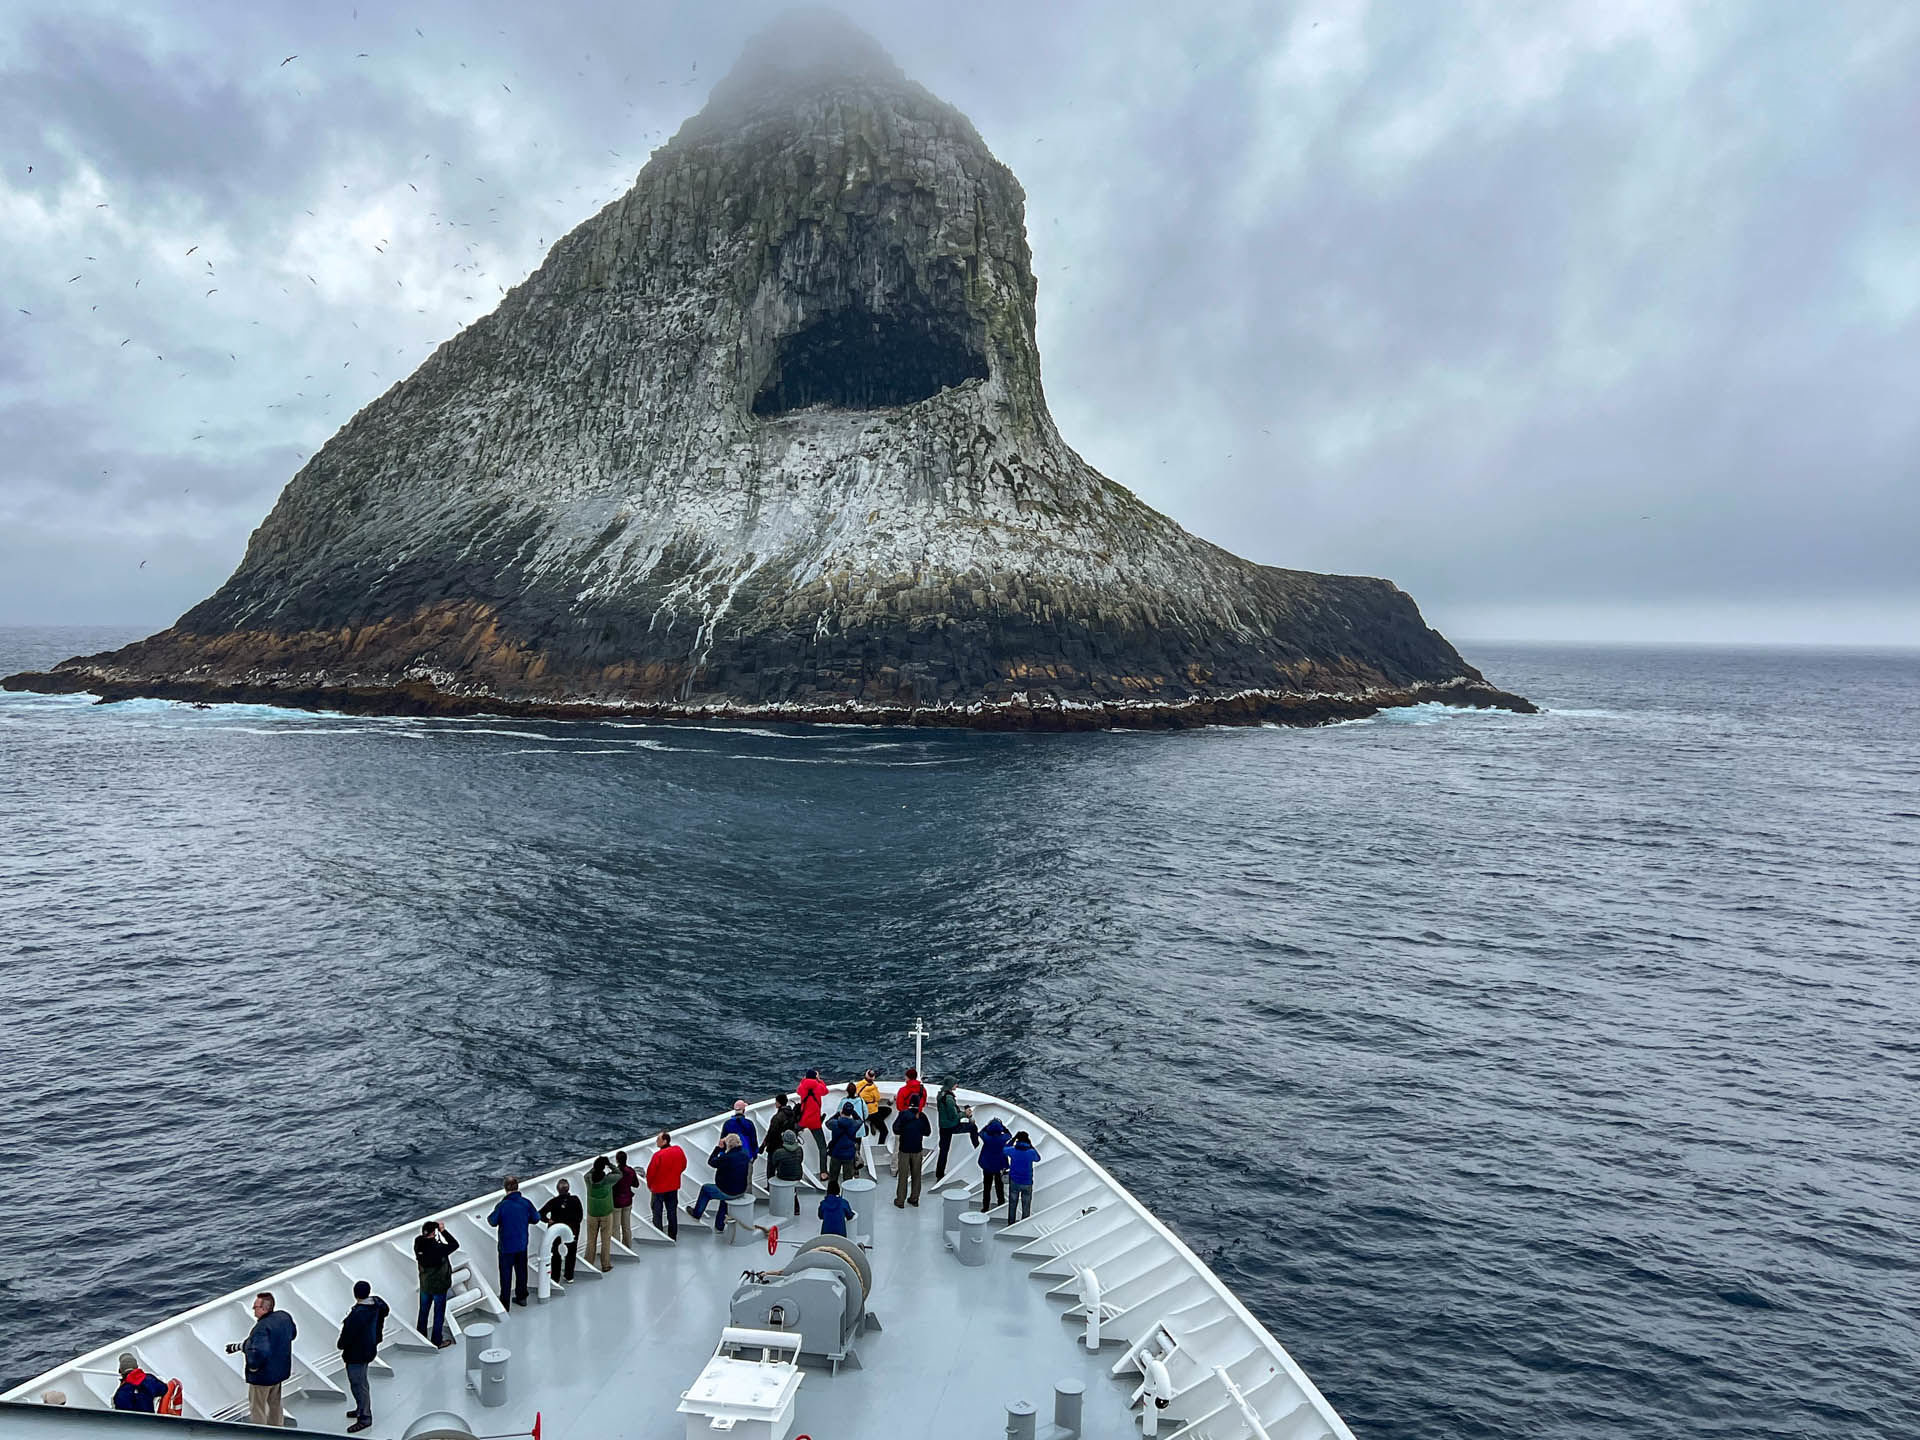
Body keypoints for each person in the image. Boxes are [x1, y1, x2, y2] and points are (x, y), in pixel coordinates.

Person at [225, 1291, 295, 1426]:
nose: (253, 1310)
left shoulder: (261, 1328)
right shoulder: (284, 1317)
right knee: (275, 1403)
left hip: (263, 1377)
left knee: (257, 1407)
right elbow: (292, 1334)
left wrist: (253, 1367)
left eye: (255, 1307)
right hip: (279, 1372)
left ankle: (261, 1433)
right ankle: (278, 1430)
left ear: (264, 1309)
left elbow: (259, 1352)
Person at [336, 1279, 389, 1433]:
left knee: (358, 1383)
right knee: (362, 1381)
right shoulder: (377, 1305)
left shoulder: (357, 1315)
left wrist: (341, 1345)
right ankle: (360, 1408)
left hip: (357, 1353)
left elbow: (346, 1338)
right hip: (369, 1348)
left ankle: (365, 1416)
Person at [486, 1176, 539, 1309]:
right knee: (522, 1272)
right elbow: (536, 1218)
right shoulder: (525, 1203)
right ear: (517, 1187)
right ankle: (522, 1298)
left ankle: (505, 1304)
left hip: (506, 1248)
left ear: (505, 1188)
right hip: (521, 1245)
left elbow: (492, 1221)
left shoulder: (502, 1206)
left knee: (506, 1276)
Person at [689, 1133, 752, 1232]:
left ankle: (696, 1214)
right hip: (741, 1189)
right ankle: (719, 1226)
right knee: (725, 1199)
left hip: (729, 1191)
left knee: (706, 1189)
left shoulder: (726, 1158)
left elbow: (711, 1162)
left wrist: (718, 1148)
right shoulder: (745, 1153)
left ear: (728, 1145)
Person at [413, 1220, 460, 1347]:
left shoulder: (418, 1242)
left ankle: (421, 1338)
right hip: (439, 1286)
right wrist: (443, 1231)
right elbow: (455, 1244)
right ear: (434, 1233)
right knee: (438, 1314)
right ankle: (437, 1341)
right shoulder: (439, 1248)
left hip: (425, 1284)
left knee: (423, 1312)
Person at [935, 1080, 980, 1181]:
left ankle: (939, 1174)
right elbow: (953, 1116)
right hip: (951, 1126)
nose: (957, 1085)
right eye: (955, 1083)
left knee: (943, 1151)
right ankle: (977, 1147)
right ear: (950, 1085)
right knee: (973, 1127)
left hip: (943, 1126)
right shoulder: (949, 1099)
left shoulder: (940, 1095)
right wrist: (965, 1114)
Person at [539, 1178, 583, 1281]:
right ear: (568, 1189)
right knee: (571, 1253)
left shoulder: (553, 1202)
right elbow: (580, 1216)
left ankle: (555, 1278)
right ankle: (569, 1276)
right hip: (572, 1231)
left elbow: (540, 1213)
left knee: (556, 1254)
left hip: (557, 1233)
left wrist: (548, 1220)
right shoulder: (575, 1200)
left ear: (557, 1190)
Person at [892, 1094, 932, 1207]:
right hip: (917, 1149)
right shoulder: (922, 1116)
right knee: (916, 1175)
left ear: (909, 1103)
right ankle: (914, 1198)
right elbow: (928, 1132)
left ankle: (900, 1200)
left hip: (904, 1149)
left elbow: (895, 1129)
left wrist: (904, 1132)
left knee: (903, 1176)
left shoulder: (903, 1114)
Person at [647, 1130, 687, 1240]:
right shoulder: (678, 1150)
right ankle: (673, 1235)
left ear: (664, 1141)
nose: (656, 1141)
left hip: (659, 1189)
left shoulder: (658, 1155)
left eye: (658, 1140)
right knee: (672, 1211)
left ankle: (659, 1236)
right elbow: (683, 1165)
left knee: (657, 1213)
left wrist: (650, 1185)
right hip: (673, 1186)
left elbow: (651, 1173)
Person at [795, 1069, 831, 1178]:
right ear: (815, 1077)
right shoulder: (818, 1086)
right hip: (815, 1121)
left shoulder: (802, 1087)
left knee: (791, 1130)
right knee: (822, 1147)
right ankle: (823, 1173)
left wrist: (804, 1080)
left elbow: (798, 1091)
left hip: (804, 1119)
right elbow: (826, 1091)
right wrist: (819, 1080)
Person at [583, 1156, 617, 1270]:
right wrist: (610, 1164)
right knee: (605, 1240)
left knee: (591, 1240)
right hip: (606, 1213)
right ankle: (605, 1265)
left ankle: (588, 1263)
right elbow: (619, 1174)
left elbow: (587, 1174)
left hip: (592, 1213)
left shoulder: (588, 1179)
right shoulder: (608, 1180)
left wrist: (596, 1166)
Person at [1005, 1130, 1042, 1224]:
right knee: (1026, 1206)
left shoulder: (1012, 1150)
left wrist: (1013, 1139)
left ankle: (1011, 1223)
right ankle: (1023, 1224)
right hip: (1027, 1182)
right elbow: (1038, 1158)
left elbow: (1004, 1149)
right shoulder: (1031, 1152)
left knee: (1012, 1204)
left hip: (1014, 1181)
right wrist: (1031, 1145)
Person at [978, 1116, 1013, 1212]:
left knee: (987, 1187)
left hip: (987, 1166)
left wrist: (987, 1126)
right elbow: (1009, 1135)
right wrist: (1003, 1127)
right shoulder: (1003, 1139)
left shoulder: (987, 1138)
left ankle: (985, 1207)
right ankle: (1000, 1204)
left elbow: (980, 1133)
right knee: (999, 1187)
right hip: (999, 1167)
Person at [826, 1100, 864, 1184]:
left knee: (833, 1178)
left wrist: (837, 1114)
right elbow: (860, 1120)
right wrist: (853, 1112)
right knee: (848, 1180)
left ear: (842, 1111)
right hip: (849, 1154)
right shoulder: (854, 1124)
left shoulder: (835, 1123)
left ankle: (832, 1194)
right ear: (851, 1113)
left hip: (836, 1153)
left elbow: (827, 1123)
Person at [763, 1094, 797, 1177]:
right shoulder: (792, 1114)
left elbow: (771, 1133)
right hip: (786, 1145)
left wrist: (763, 1146)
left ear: (779, 1103)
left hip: (775, 1145)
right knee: (782, 1166)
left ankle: (770, 1186)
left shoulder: (777, 1117)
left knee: (771, 1167)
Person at [721, 1100, 761, 1170]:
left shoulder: (727, 1124)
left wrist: (722, 1155)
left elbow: (722, 1141)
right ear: (744, 1110)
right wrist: (754, 1155)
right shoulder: (749, 1123)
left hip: (732, 1158)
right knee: (746, 1178)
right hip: (746, 1156)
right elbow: (753, 1141)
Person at [613, 1149, 639, 1248]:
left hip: (617, 1203)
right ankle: (628, 1246)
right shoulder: (631, 1171)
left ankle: (618, 1248)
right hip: (628, 1201)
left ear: (617, 1160)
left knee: (615, 1227)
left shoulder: (615, 1173)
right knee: (626, 1226)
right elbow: (636, 1184)